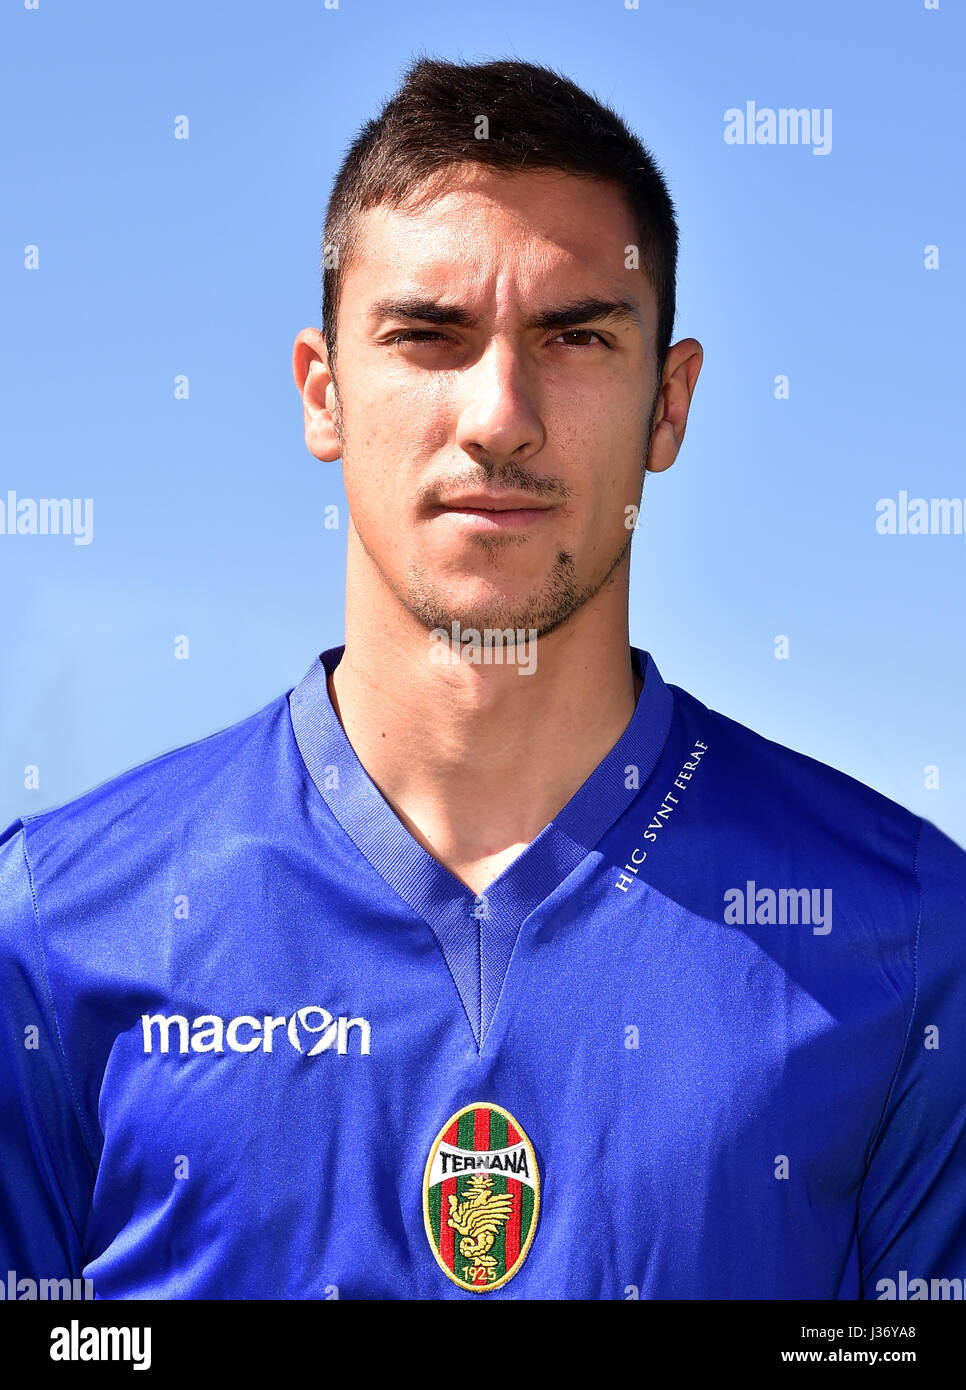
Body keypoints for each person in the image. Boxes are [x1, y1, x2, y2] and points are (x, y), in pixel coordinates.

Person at [1, 55, 963, 1301]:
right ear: (324, 391)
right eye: (428, 336)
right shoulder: (53, 925)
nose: (499, 414)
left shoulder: (910, 936)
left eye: (573, 337)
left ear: (668, 408)